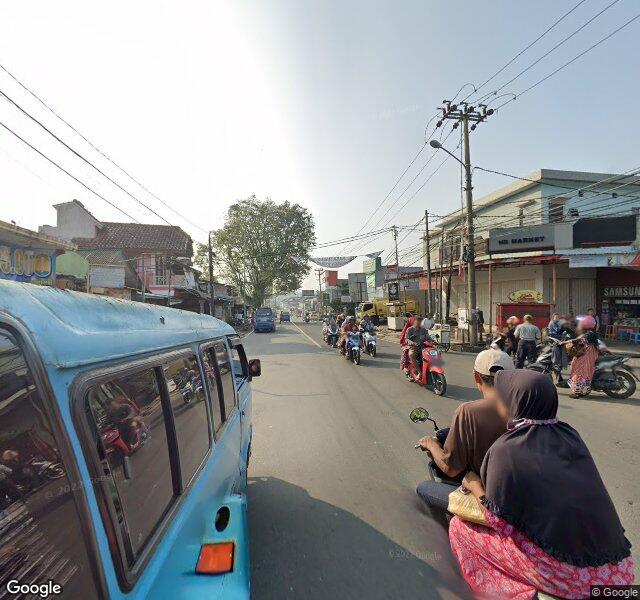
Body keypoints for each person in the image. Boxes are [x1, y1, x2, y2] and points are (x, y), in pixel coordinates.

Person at [449, 370, 634, 599]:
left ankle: (508, 590)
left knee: (459, 527)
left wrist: (475, 484)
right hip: (619, 570)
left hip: (572, 578)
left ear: (513, 403)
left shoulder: (507, 449)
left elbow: (498, 521)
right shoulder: (569, 434)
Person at [416, 348, 514, 511]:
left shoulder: (468, 411)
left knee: (423, 488)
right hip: (519, 493)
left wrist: (431, 444)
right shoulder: (529, 410)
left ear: (476, 377)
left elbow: (451, 469)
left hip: (490, 498)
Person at [564, 315, 600, 398]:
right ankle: (583, 392)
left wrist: (565, 343)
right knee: (586, 373)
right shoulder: (591, 333)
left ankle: (577, 393)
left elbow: (579, 341)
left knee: (579, 371)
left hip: (586, 355)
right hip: (591, 354)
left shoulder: (589, 334)